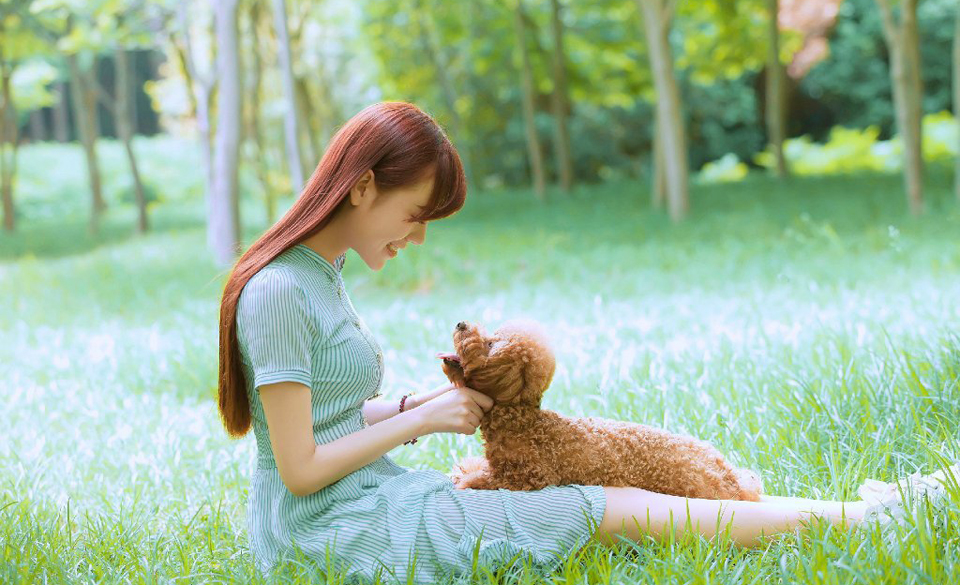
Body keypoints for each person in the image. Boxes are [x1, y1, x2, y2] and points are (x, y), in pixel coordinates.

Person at [216, 101, 958, 583]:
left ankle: (861, 504)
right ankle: (865, 518)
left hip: (371, 499)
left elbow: (330, 415)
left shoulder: (324, 273)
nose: (416, 237)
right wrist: (419, 420)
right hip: (331, 536)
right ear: (364, 186)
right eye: (415, 214)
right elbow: (302, 467)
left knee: (592, 492)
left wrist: (420, 400)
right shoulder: (281, 291)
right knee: (598, 505)